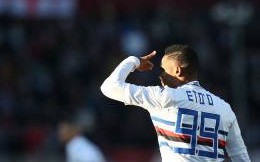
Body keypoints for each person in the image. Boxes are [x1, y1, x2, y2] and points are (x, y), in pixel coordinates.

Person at [100, 44, 250, 161]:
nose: (160, 76)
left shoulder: (165, 97)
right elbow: (240, 156)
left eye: (163, 70)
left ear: (177, 70)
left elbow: (109, 87)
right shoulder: (224, 108)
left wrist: (134, 61)